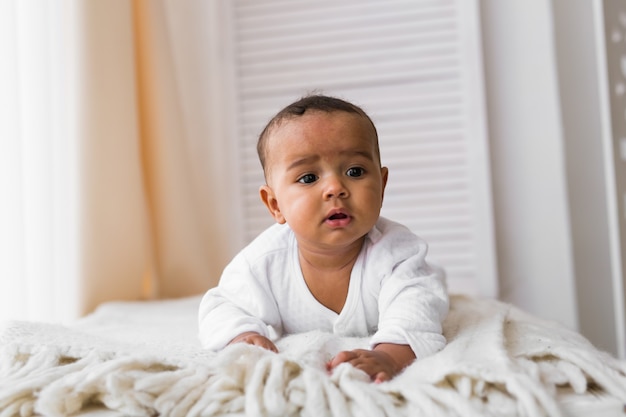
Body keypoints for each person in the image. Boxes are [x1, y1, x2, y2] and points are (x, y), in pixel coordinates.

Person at [198, 94, 448, 383]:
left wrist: (390, 356)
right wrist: (242, 334)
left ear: (382, 185)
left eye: (354, 171)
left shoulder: (398, 253)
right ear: (275, 205)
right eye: (308, 178)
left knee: (430, 288)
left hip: (414, 284)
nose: (335, 188)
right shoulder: (263, 262)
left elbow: (416, 309)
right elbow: (221, 304)